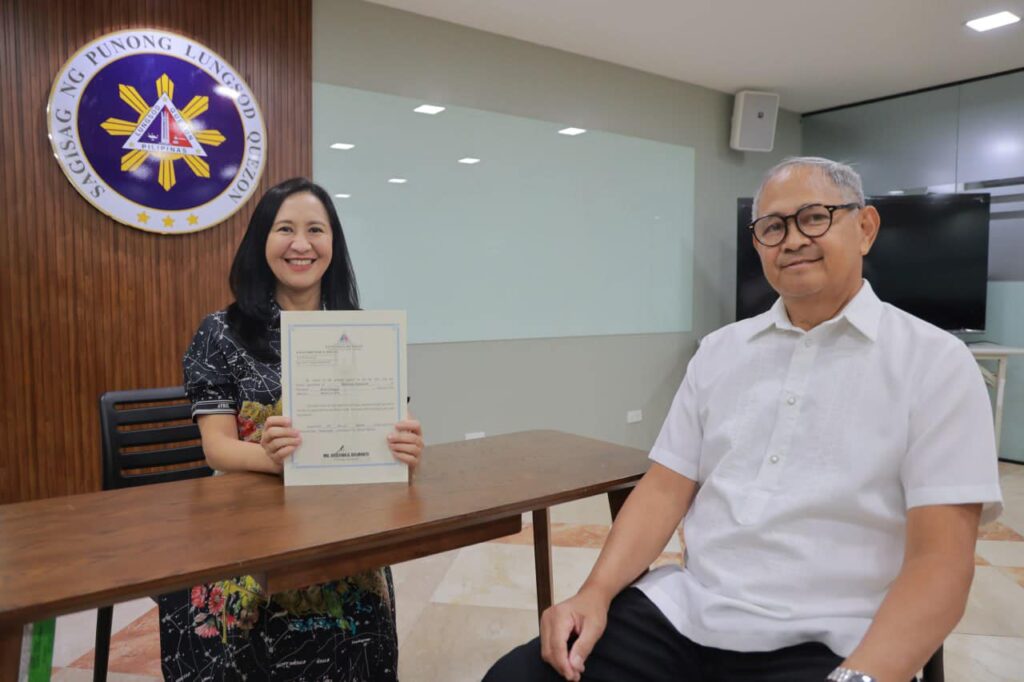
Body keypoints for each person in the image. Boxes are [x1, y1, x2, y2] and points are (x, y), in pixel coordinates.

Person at [485, 157, 1003, 682]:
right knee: (519, 677)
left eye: (814, 217)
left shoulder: (935, 364)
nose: (792, 240)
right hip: (688, 614)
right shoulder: (720, 351)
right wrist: (593, 593)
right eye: (773, 227)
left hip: (834, 638)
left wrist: (860, 677)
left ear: (865, 228)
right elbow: (664, 489)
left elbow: (941, 561)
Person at [159, 177, 423, 681]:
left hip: (342, 525)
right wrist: (277, 459)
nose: (301, 243)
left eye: (315, 230)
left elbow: (382, 433)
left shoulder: (365, 332)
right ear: (262, 241)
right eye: (285, 229)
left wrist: (403, 447)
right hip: (248, 529)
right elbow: (217, 449)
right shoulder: (220, 332)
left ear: (333, 244)